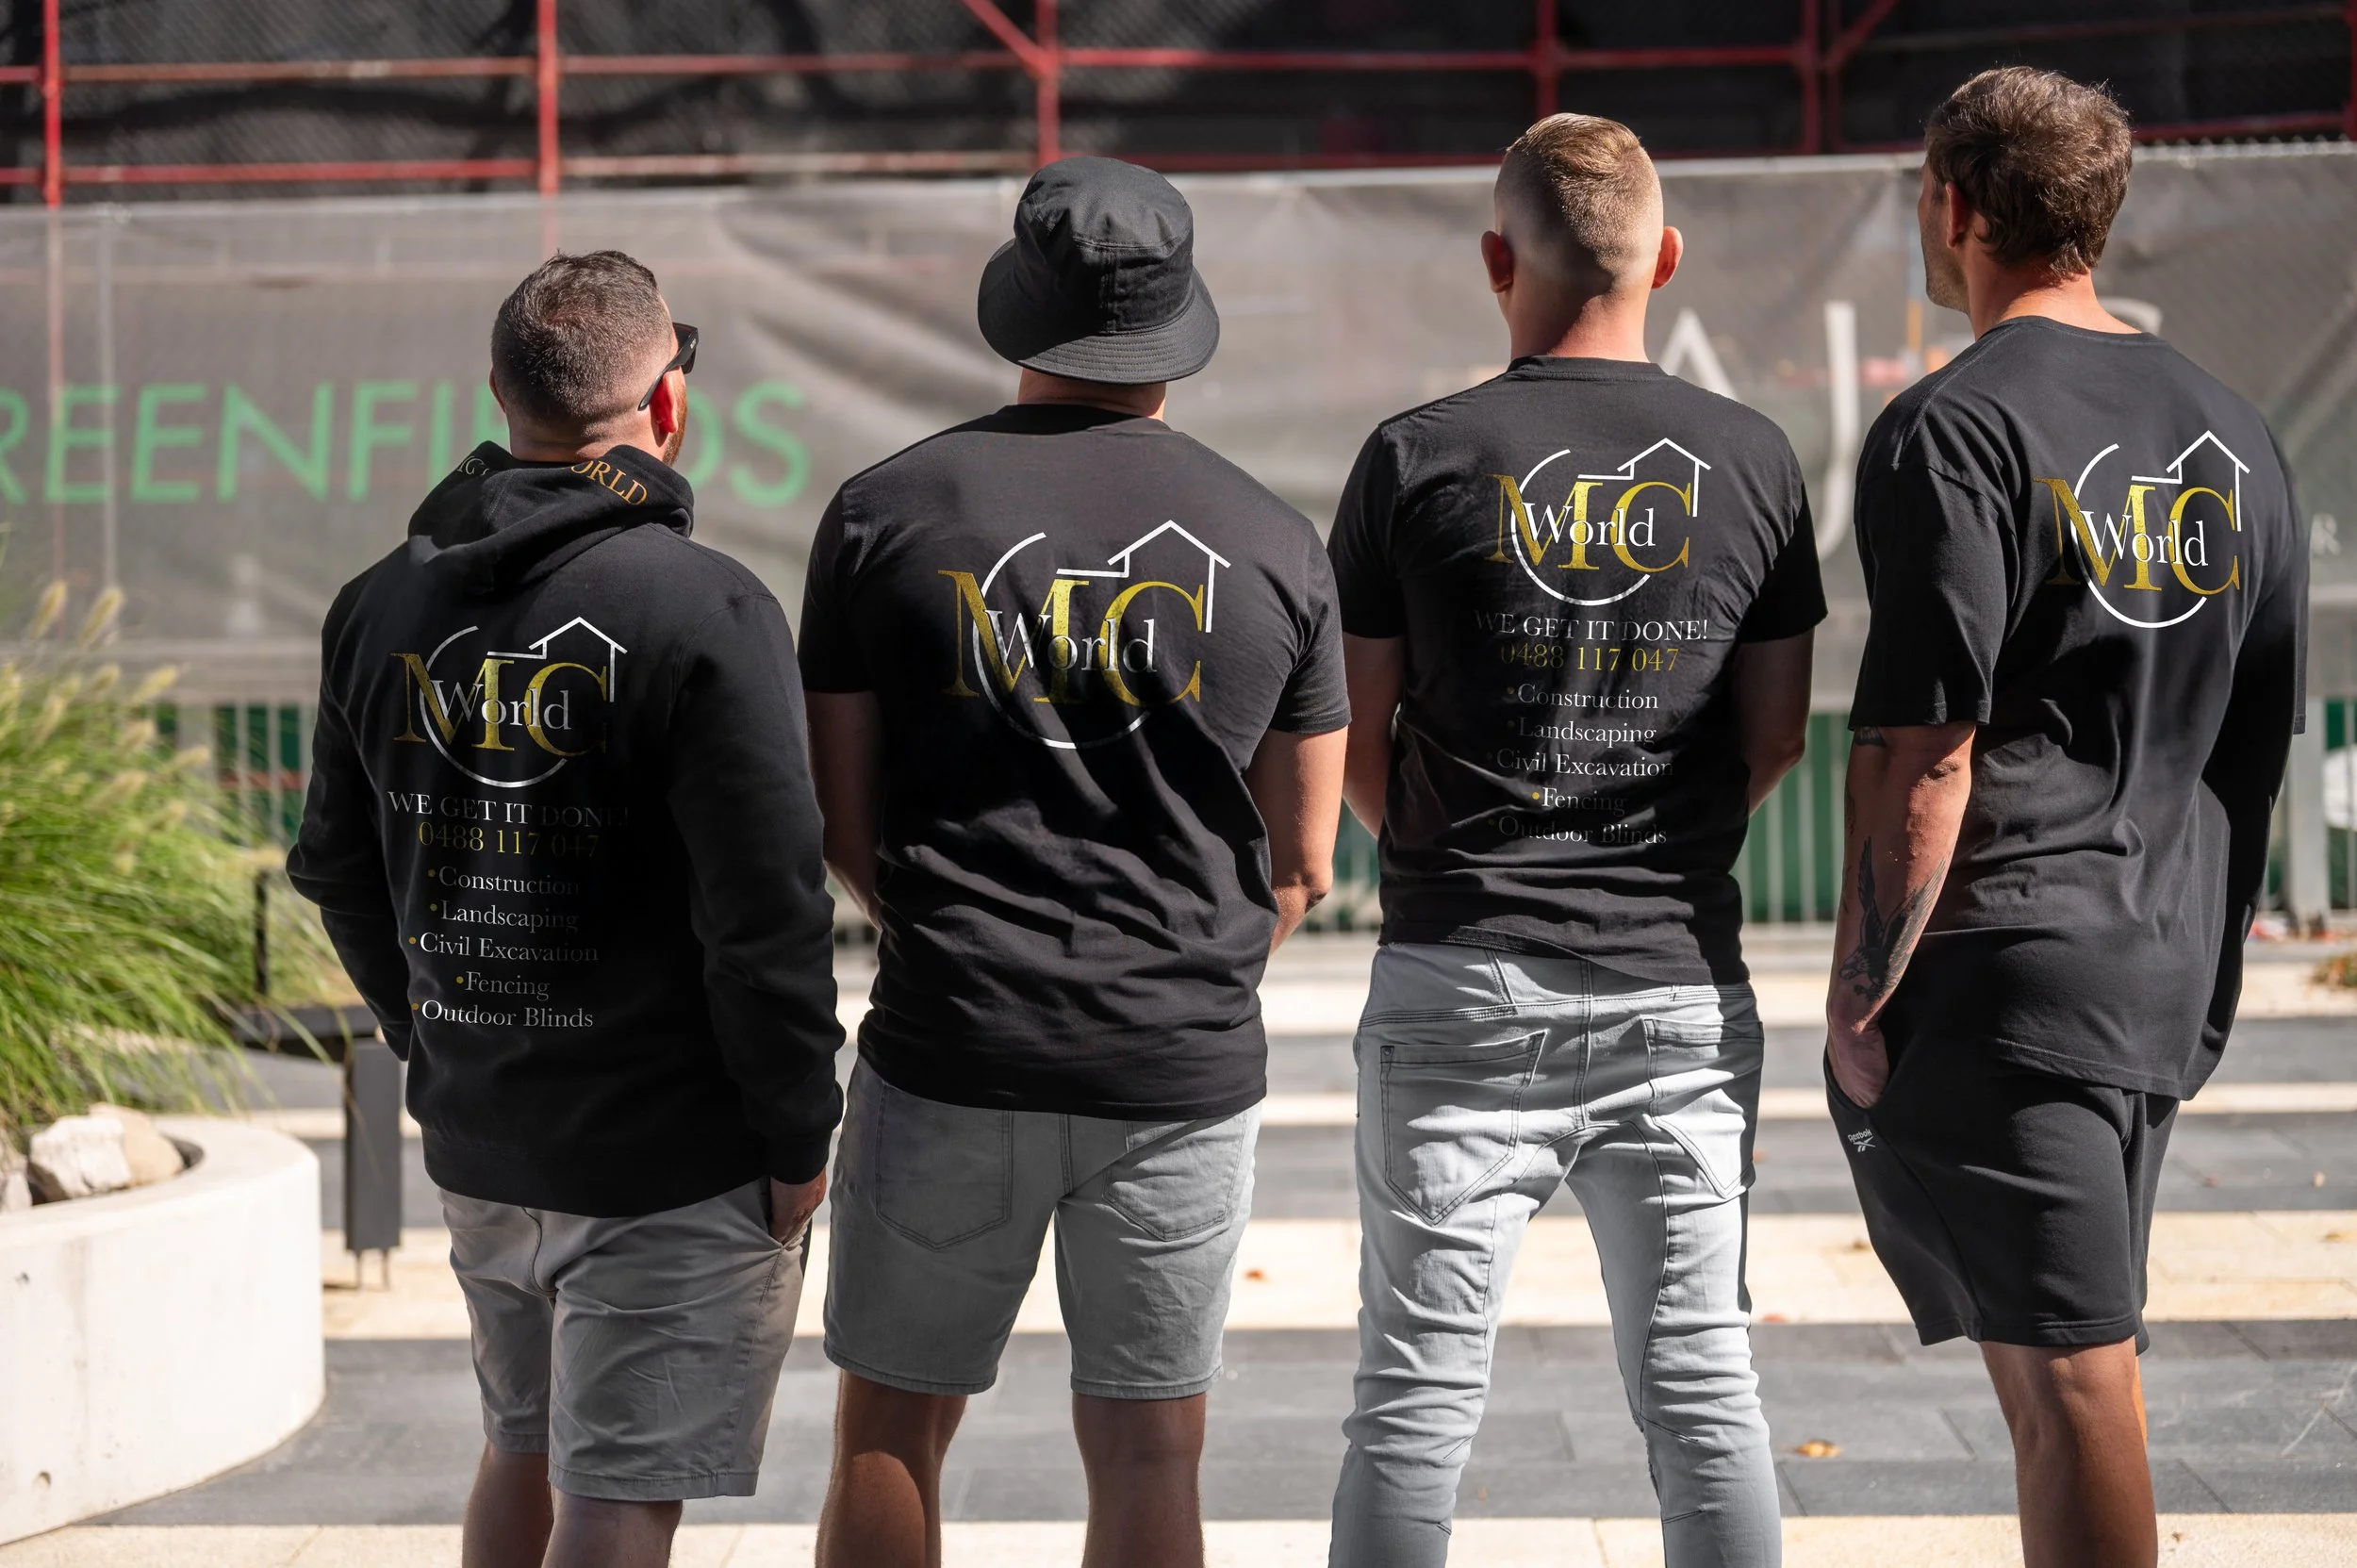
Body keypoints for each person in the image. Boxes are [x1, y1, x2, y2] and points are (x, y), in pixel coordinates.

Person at [799, 156, 1350, 1568]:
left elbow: (840, 821)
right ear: (1177, 323)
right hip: (1176, 1064)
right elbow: (1302, 860)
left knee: (888, 1427)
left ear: (1021, 311)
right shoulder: (1276, 543)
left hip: (949, 1040)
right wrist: (1170, 970)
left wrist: (958, 942)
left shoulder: (881, 514)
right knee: (1153, 1448)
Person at [288, 251, 843, 1568]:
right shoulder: (708, 610)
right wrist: (797, 1129)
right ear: (669, 405)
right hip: (670, 1149)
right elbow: (767, 917)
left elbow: (336, 867)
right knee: (617, 1497)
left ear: (497, 396)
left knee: (521, 1449)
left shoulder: (378, 602)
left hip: (486, 1131)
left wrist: (435, 1035)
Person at [1824, 68, 2307, 1568]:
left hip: (2010, 967)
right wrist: (2197, 950)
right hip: (2151, 957)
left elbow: (1926, 747)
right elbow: (2255, 733)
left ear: (1956, 205)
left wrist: (1859, 990)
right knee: (2058, 1381)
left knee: (2073, 1382)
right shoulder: (2235, 432)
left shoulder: (1951, 426)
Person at [1324, 112, 1821, 1566]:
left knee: (1413, 1398)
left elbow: (1357, 733)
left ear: (1498, 261)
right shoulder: (1752, 458)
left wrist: (1439, 850)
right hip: (1677, 978)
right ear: (1666, 260)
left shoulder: (1413, 456)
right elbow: (1777, 735)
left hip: (1459, 970)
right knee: (1705, 1389)